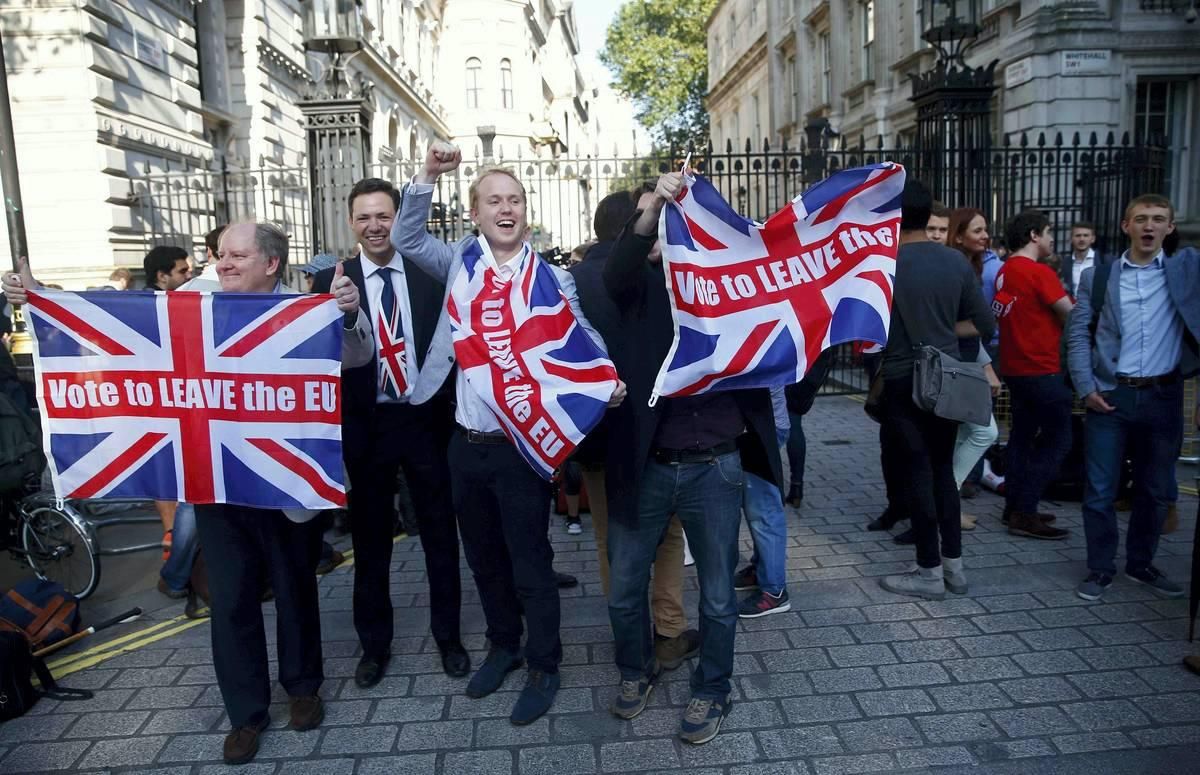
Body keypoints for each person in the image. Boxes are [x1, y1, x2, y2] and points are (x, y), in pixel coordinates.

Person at [2, 222, 375, 764]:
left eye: (236, 256)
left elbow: (358, 356)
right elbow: (111, 312)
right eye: (220, 254)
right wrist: (41, 297)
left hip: (284, 480)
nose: (222, 263)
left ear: (271, 264)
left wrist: (346, 311)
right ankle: (246, 714)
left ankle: (302, 689)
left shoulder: (304, 310)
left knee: (296, 589)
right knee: (230, 601)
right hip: (216, 484)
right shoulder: (188, 303)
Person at [392, 143, 625, 726]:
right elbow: (405, 240)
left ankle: (545, 663)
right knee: (484, 559)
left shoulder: (552, 278)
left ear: (526, 210)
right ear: (474, 212)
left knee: (530, 562)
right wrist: (425, 177)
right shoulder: (458, 267)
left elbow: (582, 339)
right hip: (464, 443)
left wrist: (605, 380)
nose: (506, 208)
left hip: (521, 449)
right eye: (493, 200)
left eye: (515, 199)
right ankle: (504, 646)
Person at [602, 170, 784, 745]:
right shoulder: (639, 286)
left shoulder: (736, 283)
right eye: (659, 223)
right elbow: (616, 269)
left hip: (717, 466)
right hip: (648, 463)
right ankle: (636, 672)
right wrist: (653, 203)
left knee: (718, 594)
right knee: (625, 587)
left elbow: (797, 327)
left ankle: (713, 690)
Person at [312, 178, 468, 685]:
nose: (375, 226)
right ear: (351, 224)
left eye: (384, 216)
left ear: (399, 219)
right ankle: (373, 647)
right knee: (371, 541)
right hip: (367, 426)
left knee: (441, 535)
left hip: (427, 421)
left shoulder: (430, 275)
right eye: (364, 218)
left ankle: (449, 638)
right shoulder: (330, 284)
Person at [569, 186, 698, 668]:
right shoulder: (652, 276)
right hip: (657, 429)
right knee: (666, 533)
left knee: (612, 536)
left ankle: (626, 628)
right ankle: (668, 629)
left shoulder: (571, 279)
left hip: (598, 431)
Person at [1067, 195, 1200, 601]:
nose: (1149, 226)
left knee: (1157, 489)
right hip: (1112, 396)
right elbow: (1076, 333)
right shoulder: (1100, 277)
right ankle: (1100, 568)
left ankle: (1141, 563)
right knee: (1101, 489)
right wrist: (1086, 386)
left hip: (1163, 396)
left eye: (1159, 219)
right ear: (1126, 225)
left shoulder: (1186, 270)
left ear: (1170, 228)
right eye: (1141, 218)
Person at [876, 180, 994, 601]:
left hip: (903, 378)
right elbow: (986, 324)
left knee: (919, 474)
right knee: (943, 470)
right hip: (946, 377)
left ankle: (927, 571)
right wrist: (944, 330)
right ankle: (954, 568)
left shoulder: (882, 264)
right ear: (928, 216)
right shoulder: (956, 262)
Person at [992, 209, 1074, 540]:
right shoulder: (1039, 273)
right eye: (1049, 231)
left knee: (1021, 439)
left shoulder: (1004, 271)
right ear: (1034, 236)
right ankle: (1025, 512)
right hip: (1042, 368)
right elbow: (1070, 313)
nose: (1053, 238)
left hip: (1015, 367)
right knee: (1059, 440)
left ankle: (1014, 507)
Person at [734, 385, 796, 618]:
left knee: (763, 509)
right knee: (756, 504)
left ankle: (774, 591)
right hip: (756, 423)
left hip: (760, 426)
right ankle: (762, 570)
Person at [1061, 221, 1111, 297]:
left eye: (1086, 235)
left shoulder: (1105, 260)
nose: (1082, 239)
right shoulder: (1065, 263)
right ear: (1071, 239)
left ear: (1093, 239)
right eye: (1078, 235)